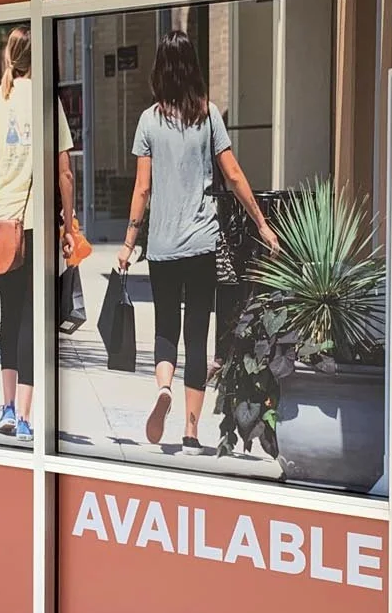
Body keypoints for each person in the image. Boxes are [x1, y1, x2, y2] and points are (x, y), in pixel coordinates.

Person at [114, 29, 277, 450]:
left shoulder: (148, 120)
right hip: (202, 244)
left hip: (163, 246)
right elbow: (234, 175)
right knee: (198, 334)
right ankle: (190, 430)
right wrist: (260, 222)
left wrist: (130, 243)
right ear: (193, 68)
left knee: (166, 326)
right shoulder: (207, 116)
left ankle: (163, 388)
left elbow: (142, 191)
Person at [0, 28, 75, 439]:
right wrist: (69, 220)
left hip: (2, 226)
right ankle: (28, 416)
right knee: (34, 320)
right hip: (39, 227)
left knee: (10, 317)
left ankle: (8, 407)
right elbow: (64, 170)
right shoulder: (48, 100)